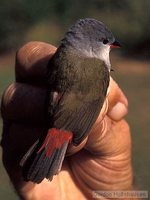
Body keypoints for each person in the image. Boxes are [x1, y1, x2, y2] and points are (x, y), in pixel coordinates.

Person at [1, 42, 137, 200]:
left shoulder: (68, 57)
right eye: (106, 42)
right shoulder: (97, 68)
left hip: (61, 123)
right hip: (68, 125)